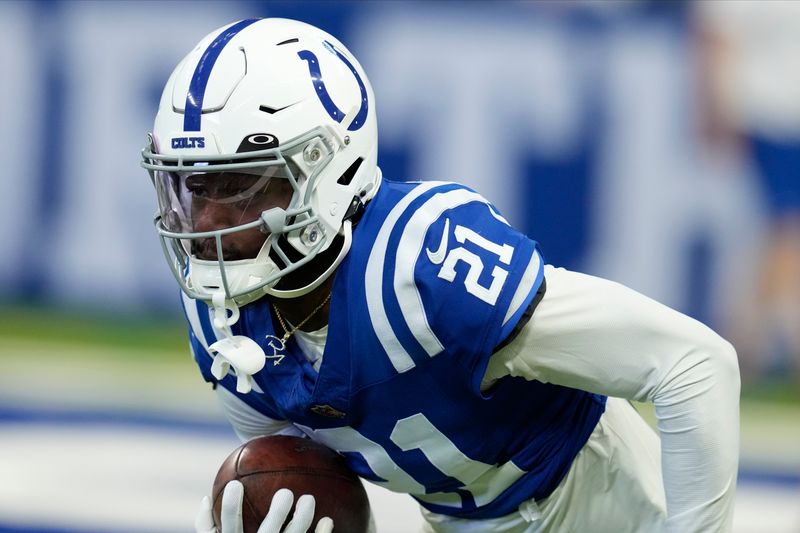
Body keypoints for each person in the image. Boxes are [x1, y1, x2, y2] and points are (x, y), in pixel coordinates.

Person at [141, 18, 740, 533]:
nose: (207, 223)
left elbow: (693, 365)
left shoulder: (419, 268)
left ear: (326, 167)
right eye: (193, 188)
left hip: (607, 502)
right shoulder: (220, 315)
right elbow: (308, 474)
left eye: (241, 187)